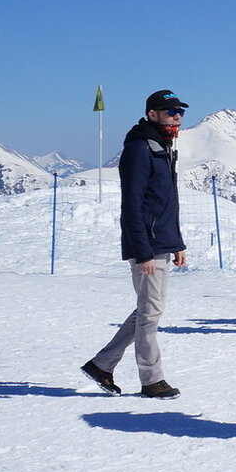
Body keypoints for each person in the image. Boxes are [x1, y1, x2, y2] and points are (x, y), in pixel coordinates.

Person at [81, 89, 190, 399]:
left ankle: (102, 365)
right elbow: (132, 206)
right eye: (170, 111)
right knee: (150, 314)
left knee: (147, 310)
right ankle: (151, 379)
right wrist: (142, 251)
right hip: (148, 247)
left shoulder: (162, 147)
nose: (176, 116)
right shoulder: (140, 149)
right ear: (152, 114)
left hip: (161, 243)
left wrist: (176, 243)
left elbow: (166, 203)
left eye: (179, 111)